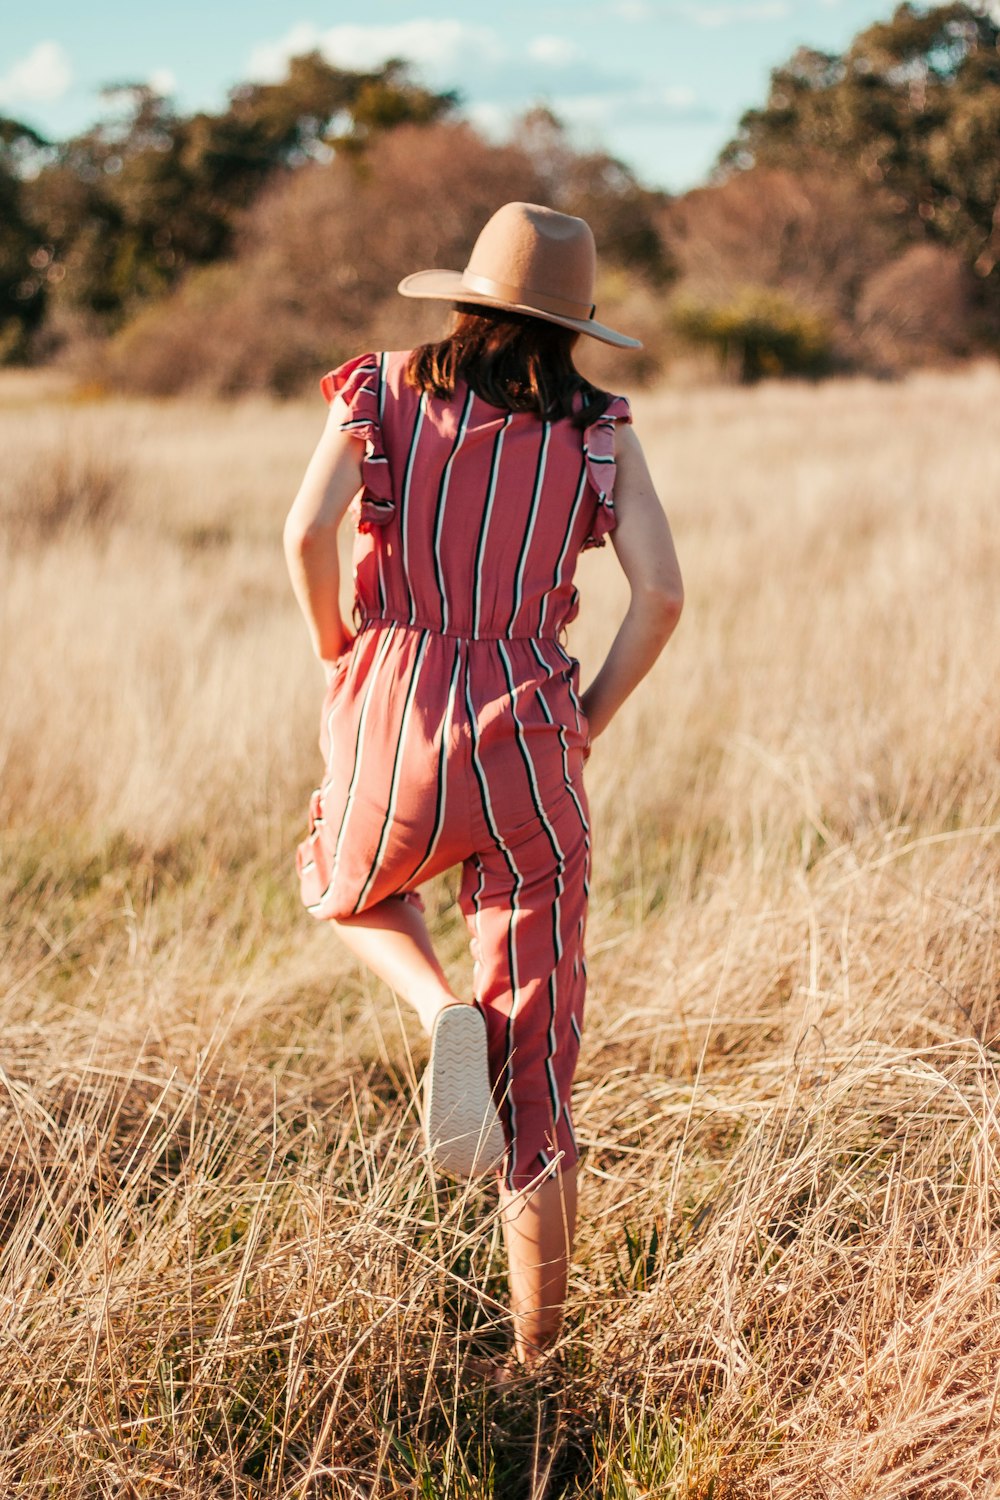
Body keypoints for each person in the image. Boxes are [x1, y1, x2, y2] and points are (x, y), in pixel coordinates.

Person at [283, 202, 683, 1372]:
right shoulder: (599, 426)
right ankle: (537, 1361)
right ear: (573, 324)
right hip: (532, 731)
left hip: (392, 694)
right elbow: (659, 596)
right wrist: (587, 719)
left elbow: (305, 533)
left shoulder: (384, 386)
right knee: (538, 1080)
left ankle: (431, 1009)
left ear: (463, 296)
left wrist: (335, 650)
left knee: (338, 878)